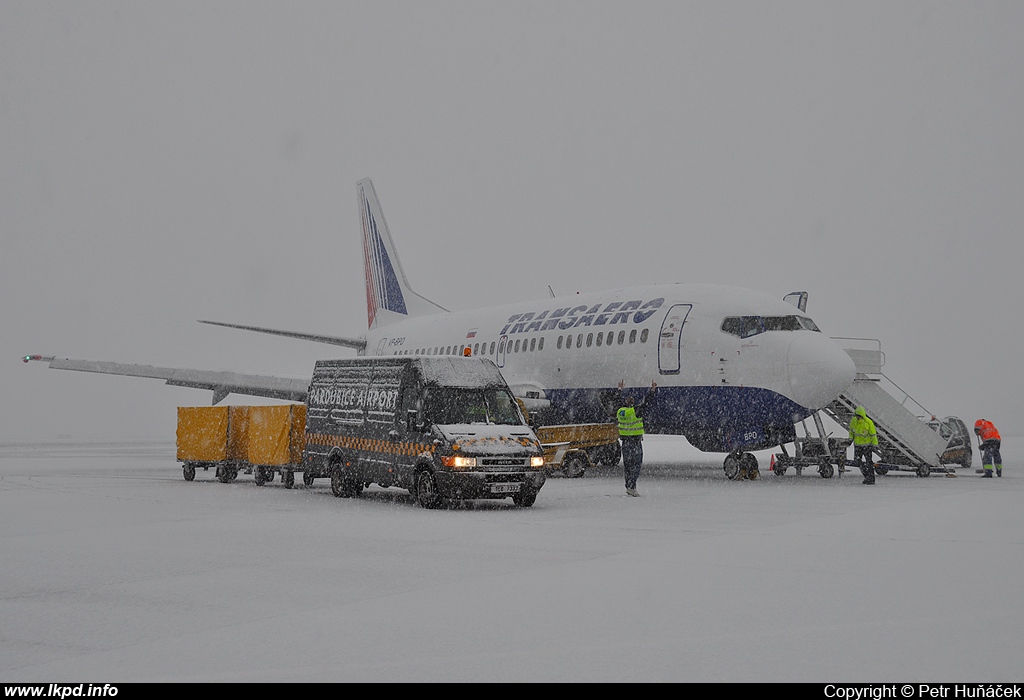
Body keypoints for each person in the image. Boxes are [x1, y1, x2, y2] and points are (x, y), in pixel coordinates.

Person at [616, 380, 657, 496]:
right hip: (635, 442)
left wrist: (620, 390)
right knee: (636, 464)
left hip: (625, 442)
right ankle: (632, 486)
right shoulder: (635, 412)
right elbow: (647, 402)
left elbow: (617, 402)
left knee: (627, 466)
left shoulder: (620, 412)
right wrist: (652, 390)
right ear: (633, 403)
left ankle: (628, 485)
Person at [848, 406, 879, 485]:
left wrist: (874, 444)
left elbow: (873, 434)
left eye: (859, 416)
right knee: (857, 461)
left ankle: (871, 478)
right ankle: (866, 475)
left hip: (867, 446)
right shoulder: (853, 421)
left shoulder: (868, 422)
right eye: (857, 416)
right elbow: (851, 432)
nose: (857, 418)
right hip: (858, 445)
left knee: (869, 462)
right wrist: (850, 440)